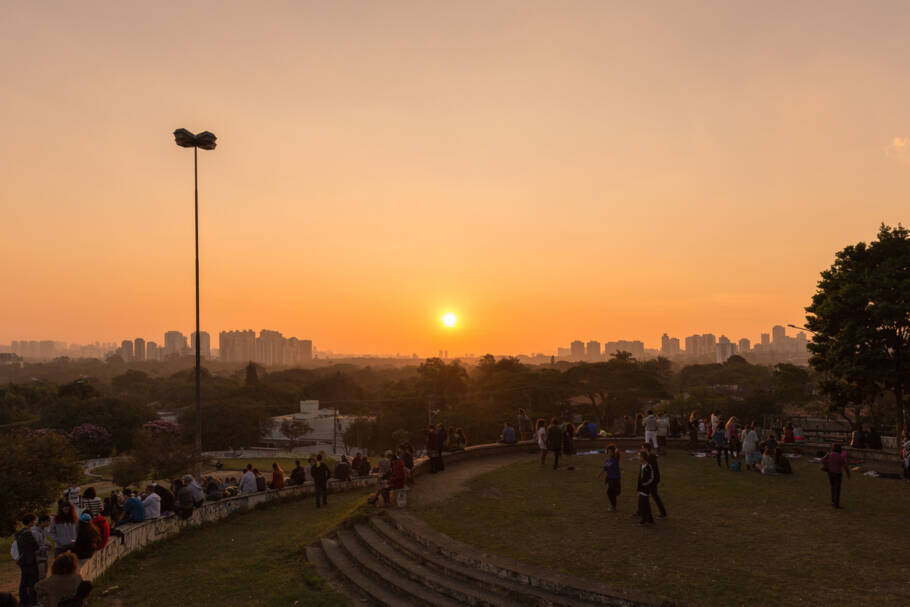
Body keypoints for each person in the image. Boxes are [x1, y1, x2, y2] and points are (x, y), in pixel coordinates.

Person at [12, 514, 40, 606]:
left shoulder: (19, 533)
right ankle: (33, 600)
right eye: (34, 520)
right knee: (33, 581)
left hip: (22, 560)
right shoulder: (28, 533)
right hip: (30, 560)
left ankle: (23, 600)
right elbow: (36, 546)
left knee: (24, 581)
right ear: (30, 522)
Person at [821, 443, 850, 509]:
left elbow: (822, 460)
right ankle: (836, 504)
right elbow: (845, 467)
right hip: (837, 474)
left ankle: (833, 501)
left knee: (833, 487)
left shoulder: (829, 454)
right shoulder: (840, 457)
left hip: (830, 473)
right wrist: (848, 474)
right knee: (837, 489)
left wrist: (826, 465)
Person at [642, 443, 666, 518]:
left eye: (643, 448)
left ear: (646, 448)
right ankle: (640, 511)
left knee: (650, 495)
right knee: (645, 495)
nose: (642, 449)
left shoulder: (650, 458)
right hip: (652, 479)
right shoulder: (650, 456)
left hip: (652, 480)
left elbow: (651, 470)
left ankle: (663, 513)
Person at [635, 450, 655, 525]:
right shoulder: (641, 466)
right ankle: (649, 519)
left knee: (642, 503)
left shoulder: (648, 467)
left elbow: (651, 478)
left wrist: (645, 484)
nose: (638, 458)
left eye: (639, 456)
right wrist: (639, 486)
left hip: (646, 488)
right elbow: (640, 477)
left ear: (643, 457)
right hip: (641, 487)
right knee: (645, 504)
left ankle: (644, 519)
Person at [601, 444, 621, 511]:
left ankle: (613, 506)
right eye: (608, 452)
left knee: (611, 492)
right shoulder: (608, 460)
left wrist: (615, 449)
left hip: (615, 479)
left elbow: (617, 454)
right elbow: (605, 468)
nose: (609, 453)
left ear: (613, 452)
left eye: (610, 452)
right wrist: (603, 476)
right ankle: (613, 505)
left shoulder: (615, 459)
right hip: (610, 478)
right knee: (610, 492)